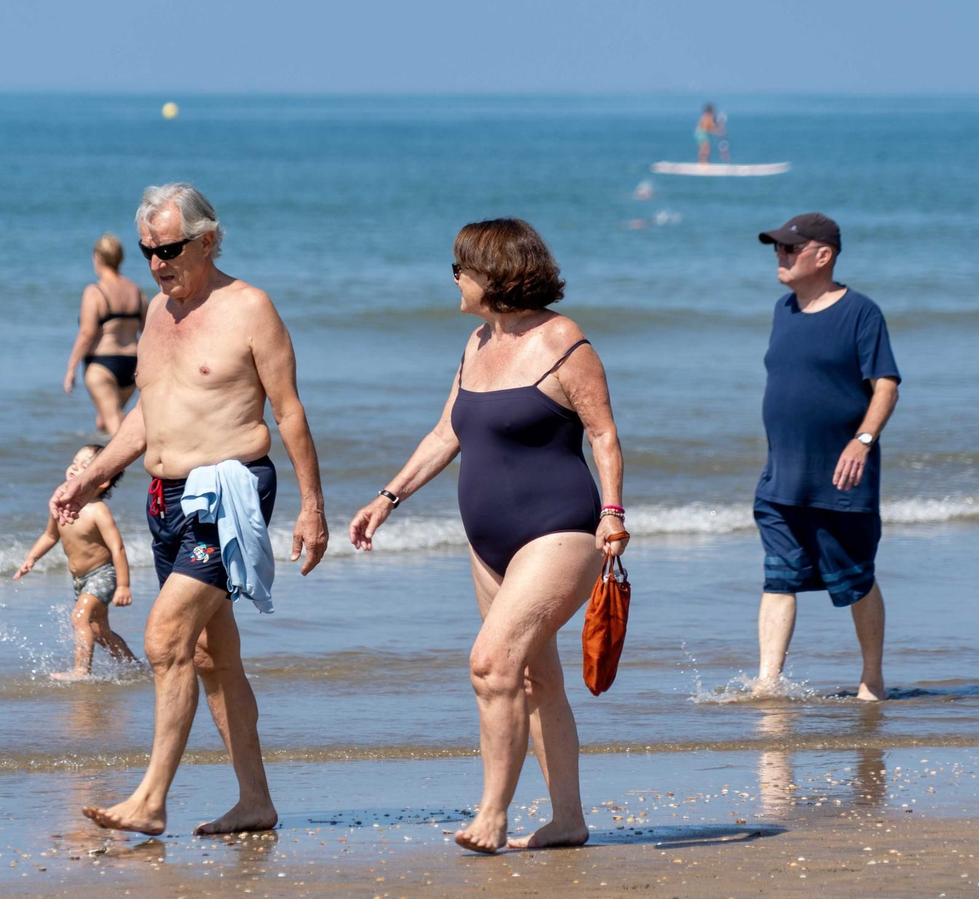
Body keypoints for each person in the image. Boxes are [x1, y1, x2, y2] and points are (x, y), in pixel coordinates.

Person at [50, 182, 330, 837]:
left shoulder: (250, 308)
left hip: (229, 490)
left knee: (164, 637)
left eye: (169, 248)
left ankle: (150, 799)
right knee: (210, 657)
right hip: (163, 499)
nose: (157, 263)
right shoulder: (156, 314)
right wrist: (95, 473)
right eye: (148, 250)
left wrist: (313, 506)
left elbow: (288, 411)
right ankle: (255, 801)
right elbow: (150, 413)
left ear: (207, 240)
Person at [349, 217, 627, 854]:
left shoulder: (564, 340)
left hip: (558, 530)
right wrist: (388, 497)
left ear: (494, 273)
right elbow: (448, 431)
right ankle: (567, 820)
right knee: (533, 680)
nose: (453, 279)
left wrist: (612, 512)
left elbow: (604, 434)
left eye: (460, 268)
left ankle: (492, 814)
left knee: (490, 664)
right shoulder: (476, 344)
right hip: (488, 541)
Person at [752, 213, 901, 702]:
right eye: (777, 249)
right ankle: (768, 683)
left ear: (824, 254)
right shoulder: (783, 310)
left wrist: (863, 440)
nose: (781, 255)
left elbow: (886, 384)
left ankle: (871, 679)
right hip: (782, 475)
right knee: (778, 576)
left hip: (840, 475)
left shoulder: (861, 313)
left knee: (856, 577)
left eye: (790, 249)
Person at [14, 444, 136, 681]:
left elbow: (117, 548)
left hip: (103, 575)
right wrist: (31, 558)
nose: (74, 468)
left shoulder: (98, 511)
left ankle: (81, 670)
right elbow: (50, 535)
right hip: (80, 580)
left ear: (101, 481)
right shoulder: (60, 503)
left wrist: (123, 585)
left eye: (84, 466)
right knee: (100, 631)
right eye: (74, 462)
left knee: (79, 618)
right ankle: (133, 666)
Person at [64, 233, 147, 434]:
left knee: (112, 422)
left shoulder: (94, 292)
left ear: (98, 258)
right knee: (104, 420)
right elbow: (147, 329)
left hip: (102, 365)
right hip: (132, 363)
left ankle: (124, 463)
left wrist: (71, 368)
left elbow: (87, 332)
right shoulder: (135, 291)